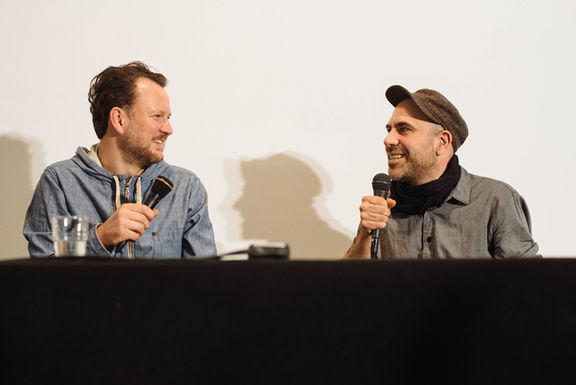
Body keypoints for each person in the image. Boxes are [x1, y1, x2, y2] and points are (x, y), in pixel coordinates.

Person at [23, 61, 217, 258]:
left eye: (168, 117)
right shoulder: (60, 182)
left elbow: (205, 282)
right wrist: (100, 237)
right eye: (157, 116)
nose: (168, 129)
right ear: (119, 119)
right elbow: (43, 279)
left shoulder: (185, 188)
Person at [345, 85, 539, 259]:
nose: (388, 140)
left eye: (403, 129)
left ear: (442, 142)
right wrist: (365, 235)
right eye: (389, 130)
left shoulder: (495, 200)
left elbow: (528, 286)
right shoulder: (383, 207)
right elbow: (350, 288)